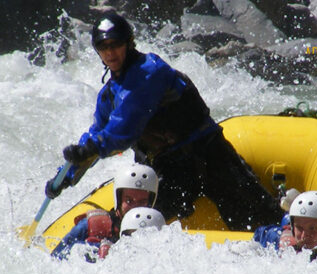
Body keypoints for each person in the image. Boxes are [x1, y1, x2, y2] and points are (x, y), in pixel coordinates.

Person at [45, 11, 283, 231]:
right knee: (131, 226)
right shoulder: (108, 94)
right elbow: (96, 134)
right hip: (170, 171)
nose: (110, 53)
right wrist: (64, 177)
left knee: (262, 222)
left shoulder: (150, 71)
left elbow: (123, 130)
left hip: (210, 157)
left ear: (128, 43)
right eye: (103, 47)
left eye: (115, 44)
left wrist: (92, 148)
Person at [51, 163, 159, 260]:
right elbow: (56, 259)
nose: (135, 207)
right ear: (118, 199)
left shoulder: (159, 230)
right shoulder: (90, 226)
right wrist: (94, 252)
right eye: (129, 200)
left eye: (142, 201)